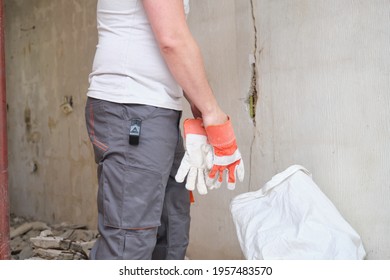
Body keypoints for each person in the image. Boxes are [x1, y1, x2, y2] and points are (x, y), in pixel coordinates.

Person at [85, 0, 244, 260]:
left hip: (154, 111)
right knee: (129, 243)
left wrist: (200, 106)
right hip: (131, 108)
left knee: (171, 227)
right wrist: (213, 113)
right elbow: (172, 40)